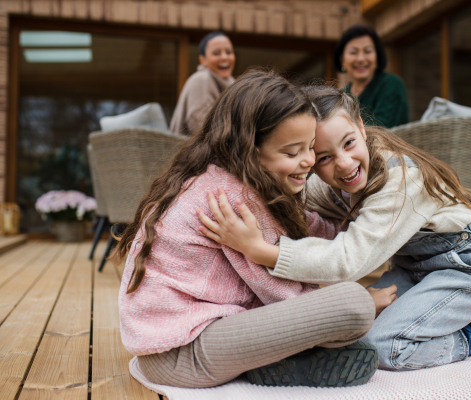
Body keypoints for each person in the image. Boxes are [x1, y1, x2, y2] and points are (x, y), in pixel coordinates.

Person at [198, 85, 471, 373]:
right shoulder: (331, 184)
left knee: (386, 346)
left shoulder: (400, 181)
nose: (343, 163)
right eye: (324, 157)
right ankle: (451, 315)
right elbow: (290, 192)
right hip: (414, 270)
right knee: (358, 328)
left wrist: (258, 250)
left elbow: (348, 261)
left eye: (348, 143)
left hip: (468, 267)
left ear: (361, 126)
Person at [115, 71, 398, 389]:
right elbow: (281, 295)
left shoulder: (224, 179)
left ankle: (276, 364)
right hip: (185, 352)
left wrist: (356, 227)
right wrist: (357, 304)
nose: (308, 161)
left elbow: (306, 228)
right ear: (249, 150)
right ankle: (279, 360)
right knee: (353, 303)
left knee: (342, 305)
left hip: (180, 342)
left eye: (310, 148)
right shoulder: (233, 200)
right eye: (292, 153)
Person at [335, 24, 409, 128]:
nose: (361, 58)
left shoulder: (391, 84)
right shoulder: (341, 96)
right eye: (353, 52)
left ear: (377, 57)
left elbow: (380, 130)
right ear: (342, 60)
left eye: (368, 51)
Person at [170, 32, 236, 135]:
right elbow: (202, 130)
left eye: (228, 52)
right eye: (216, 53)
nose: (224, 57)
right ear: (203, 60)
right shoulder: (201, 80)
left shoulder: (233, 84)